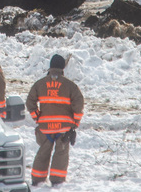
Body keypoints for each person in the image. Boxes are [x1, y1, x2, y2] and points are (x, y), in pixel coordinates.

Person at [26, 54, 84, 187]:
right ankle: (57, 180)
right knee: (61, 153)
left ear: (50, 67)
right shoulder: (70, 86)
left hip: (45, 127)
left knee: (43, 153)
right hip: (63, 128)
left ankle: (37, 179)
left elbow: (30, 102)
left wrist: (37, 117)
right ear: (62, 68)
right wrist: (75, 123)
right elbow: (79, 104)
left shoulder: (40, 84)